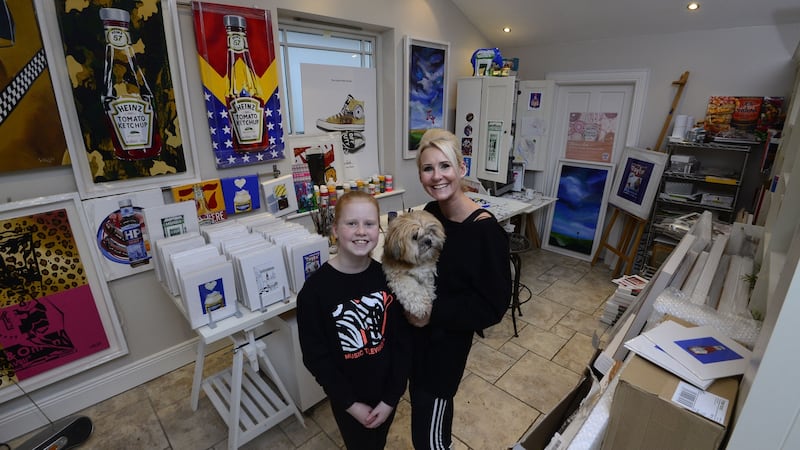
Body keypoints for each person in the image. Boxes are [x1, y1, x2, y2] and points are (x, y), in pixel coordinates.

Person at [409, 128, 512, 449]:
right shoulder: (429, 213)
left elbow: (493, 306)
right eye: (428, 168)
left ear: (462, 168)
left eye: (445, 166)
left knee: (430, 439)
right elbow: (422, 269)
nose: (437, 176)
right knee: (422, 420)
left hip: (445, 349)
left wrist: (431, 314)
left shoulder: (486, 233)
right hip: (416, 342)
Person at [297, 191, 411, 449]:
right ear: (335, 229)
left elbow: (402, 343)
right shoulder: (314, 292)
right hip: (348, 400)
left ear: (379, 230)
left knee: (377, 442)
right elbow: (316, 357)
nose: (361, 231)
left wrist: (392, 397)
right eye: (352, 223)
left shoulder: (388, 278)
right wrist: (350, 404)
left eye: (369, 224)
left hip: (386, 394)